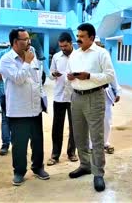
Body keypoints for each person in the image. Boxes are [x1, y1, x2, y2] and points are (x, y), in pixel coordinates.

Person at [67, 23, 114, 192]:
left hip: (95, 96)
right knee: (79, 135)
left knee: (96, 136)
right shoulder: (74, 54)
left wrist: (90, 76)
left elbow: (109, 76)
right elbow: (69, 74)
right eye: (77, 36)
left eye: (82, 36)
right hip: (76, 97)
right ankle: (85, 165)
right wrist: (70, 77)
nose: (78, 39)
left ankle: (98, 173)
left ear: (92, 38)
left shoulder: (101, 53)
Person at [0, 28, 49, 186]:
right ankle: (19, 172)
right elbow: (18, 79)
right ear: (15, 42)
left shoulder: (32, 58)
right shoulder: (6, 60)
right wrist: (26, 62)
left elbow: (37, 80)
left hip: (35, 108)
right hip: (19, 110)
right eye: (25, 39)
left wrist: (43, 100)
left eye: (29, 39)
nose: (29, 42)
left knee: (38, 140)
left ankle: (38, 167)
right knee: (19, 143)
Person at [47, 32, 77, 166]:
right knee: (57, 127)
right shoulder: (56, 57)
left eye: (65, 46)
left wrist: (75, 77)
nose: (63, 48)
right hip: (59, 96)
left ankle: (71, 152)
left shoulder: (79, 56)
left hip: (74, 96)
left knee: (74, 126)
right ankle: (55, 154)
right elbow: (50, 75)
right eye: (61, 46)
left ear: (71, 43)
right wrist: (53, 74)